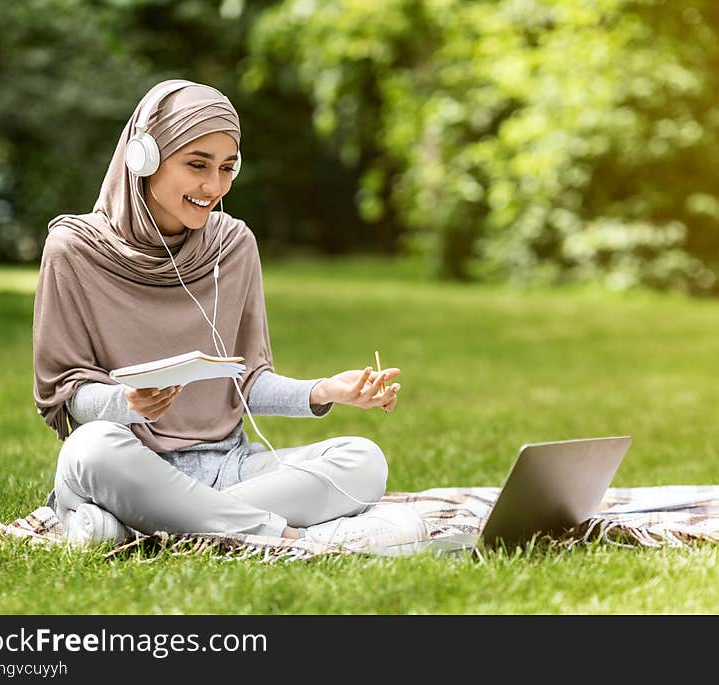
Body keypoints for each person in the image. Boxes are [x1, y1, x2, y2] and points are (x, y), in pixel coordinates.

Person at [32, 79, 429, 552]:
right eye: (197, 165)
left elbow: (245, 381)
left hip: (229, 467)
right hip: (129, 461)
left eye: (226, 168)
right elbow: (69, 395)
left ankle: (146, 525)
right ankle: (280, 535)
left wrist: (325, 391)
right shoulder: (73, 249)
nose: (213, 186)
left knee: (363, 461)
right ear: (145, 158)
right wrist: (128, 403)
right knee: (89, 449)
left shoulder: (234, 246)